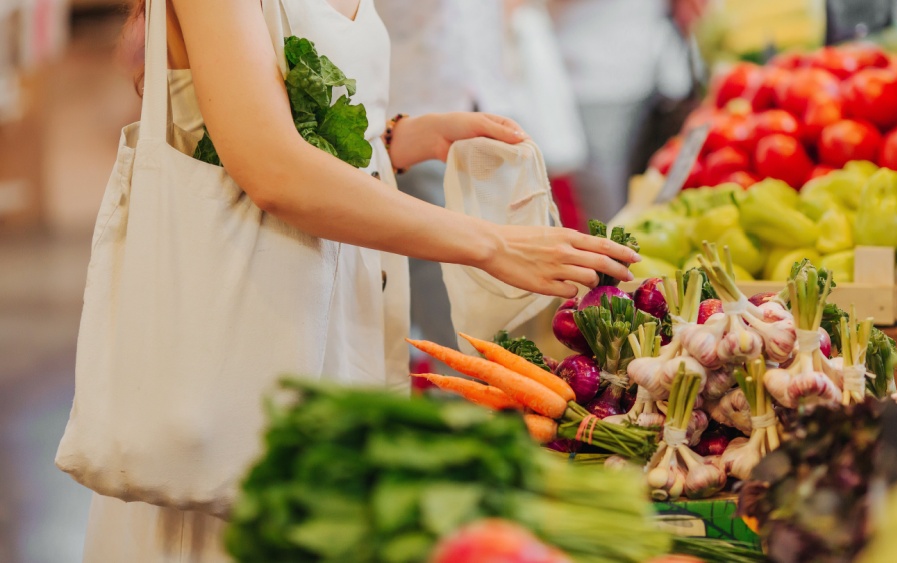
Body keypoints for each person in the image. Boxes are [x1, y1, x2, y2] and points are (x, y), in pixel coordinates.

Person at [77, 0, 638, 560]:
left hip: (330, 322)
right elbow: (271, 169)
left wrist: (402, 137)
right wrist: (490, 244)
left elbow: (294, 121)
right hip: (241, 335)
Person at [374, 0, 515, 363]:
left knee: (484, 278)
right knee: (441, 275)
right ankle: (457, 389)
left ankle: (475, 377)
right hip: (410, 107)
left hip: (485, 98)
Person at [549, 0, 706, 222]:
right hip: (599, 74)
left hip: (618, 73)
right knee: (612, 195)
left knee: (618, 195)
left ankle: (617, 250)